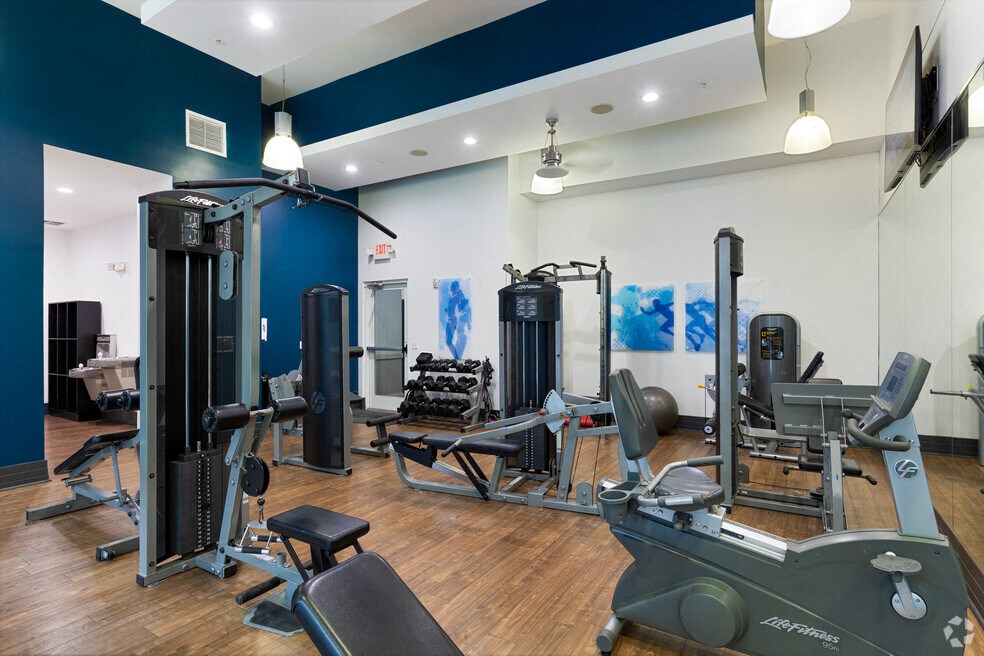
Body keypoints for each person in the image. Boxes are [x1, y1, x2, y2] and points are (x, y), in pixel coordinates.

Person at [444, 280, 471, 358]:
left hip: (452, 320)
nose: (450, 287)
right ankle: (456, 357)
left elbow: (460, 308)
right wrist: (448, 309)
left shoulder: (456, 296)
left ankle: (456, 357)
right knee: (448, 341)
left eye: (452, 285)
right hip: (449, 319)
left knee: (449, 341)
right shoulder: (453, 296)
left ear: (455, 287)